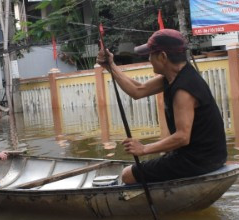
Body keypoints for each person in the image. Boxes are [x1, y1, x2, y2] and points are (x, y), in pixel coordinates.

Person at [96, 29, 228, 184]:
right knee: (157, 158)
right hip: (206, 156)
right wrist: (110, 66)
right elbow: (138, 90)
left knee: (127, 175)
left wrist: (143, 149)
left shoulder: (183, 90)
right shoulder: (174, 76)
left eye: (151, 54)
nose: (149, 59)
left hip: (199, 160)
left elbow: (182, 137)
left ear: (163, 56)